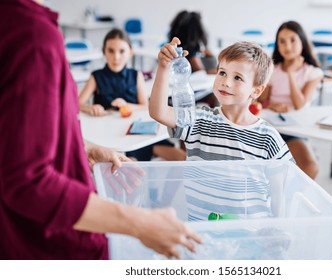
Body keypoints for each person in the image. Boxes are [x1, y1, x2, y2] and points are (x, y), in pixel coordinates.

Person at [0, 0, 200, 259]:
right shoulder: (33, 35)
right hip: (43, 244)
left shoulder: (17, 25)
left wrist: (83, 148)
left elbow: (13, 137)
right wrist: (139, 223)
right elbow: (28, 181)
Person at [150, 38, 293, 220]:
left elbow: (280, 191)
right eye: (222, 72)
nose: (226, 82)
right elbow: (158, 112)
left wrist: (278, 227)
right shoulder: (199, 120)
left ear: (256, 91)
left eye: (238, 78)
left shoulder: (267, 137)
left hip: (250, 235)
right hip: (203, 233)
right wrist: (163, 67)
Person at [79, 28, 186, 161]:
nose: (116, 57)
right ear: (104, 52)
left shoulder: (136, 75)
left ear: (130, 52)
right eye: (111, 51)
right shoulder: (96, 77)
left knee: (182, 157)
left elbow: (145, 105)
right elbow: (77, 104)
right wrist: (90, 108)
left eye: (122, 51)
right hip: (110, 136)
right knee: (129, 165)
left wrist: (128, 106)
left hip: (136, 132)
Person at [258, 21, 323, 179]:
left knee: (310, 167)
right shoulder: (272, 70)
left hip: (294, 130)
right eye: (282, 41)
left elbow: (300, 104)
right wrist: (272, 105)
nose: (287, 46)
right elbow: (260, 101)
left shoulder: (312, 72)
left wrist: (291, 74)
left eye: (293, 40)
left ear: (303, 42)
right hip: (269, 128)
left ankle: (289, 201)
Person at [168, 10, 218, 107]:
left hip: (175, 92)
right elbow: (200, 71)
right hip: (187, 94)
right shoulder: (191, 52)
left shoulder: (177, 48)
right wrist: (215, 70)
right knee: (214, 94)